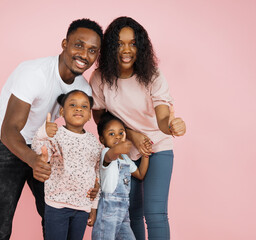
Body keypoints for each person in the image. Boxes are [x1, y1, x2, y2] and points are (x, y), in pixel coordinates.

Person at [0, 18, 103, 240]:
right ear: (64, 44)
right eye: (79, 45)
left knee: (52, 219)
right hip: (6, 142)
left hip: (44, 146)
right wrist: (31, 159)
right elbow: (9, 129)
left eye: (92, 50)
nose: (84, 54)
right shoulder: (34, 72)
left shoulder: (82, 88)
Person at [89, 16, 186, 240]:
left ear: (140, 47)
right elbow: (100, 119)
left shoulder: (152, 75)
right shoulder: (101, 77)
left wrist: (171, 126)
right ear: (111, 47)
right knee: (131, 213)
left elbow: (162, 117)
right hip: (123, 151)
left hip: (156, 146)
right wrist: (131, 134)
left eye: (132, 43)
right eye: (120, 43)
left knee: (156, 213)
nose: (126, 50)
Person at [31, 90, 103, 240]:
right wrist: (43, 133)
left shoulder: (93, 142)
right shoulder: (55, 135)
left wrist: (94, 206)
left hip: (82, 207)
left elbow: (97, 173)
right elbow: (39, 151)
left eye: (84, 106)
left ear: (89, 114)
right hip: (58, 205)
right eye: (73, 105)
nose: (78, 108)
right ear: (62, 111)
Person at [92, 112, 149, 240]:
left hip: (124, 210)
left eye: (121, 133)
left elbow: (140, 174)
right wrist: (121, 147)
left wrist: (145, 153)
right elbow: (112, 155)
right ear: (102, 139)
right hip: (108, 208)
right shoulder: (106, 153)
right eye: (111, 134)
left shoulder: (125, 158)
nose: (117, 137)